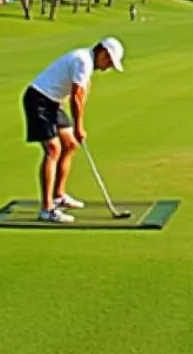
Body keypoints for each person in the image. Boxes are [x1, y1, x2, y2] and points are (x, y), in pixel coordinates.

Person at [22, 37, 125, 224]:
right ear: (102, 52)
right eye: (109, 61)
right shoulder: (83, 60)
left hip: (53, 103)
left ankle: (59, 196)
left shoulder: (87, 62)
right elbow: (76, 97)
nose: (109, 66)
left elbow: (81, 92)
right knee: (53, 149)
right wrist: (78, 126)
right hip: (39, 100)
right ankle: (47, 209)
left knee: (69, 145)